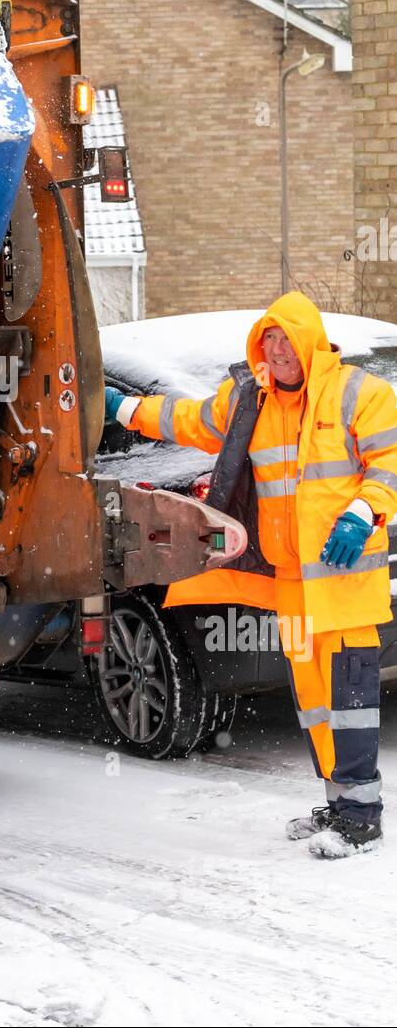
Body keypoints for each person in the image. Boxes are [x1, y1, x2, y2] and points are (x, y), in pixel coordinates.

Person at [105, 291, 397, 858]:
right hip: (292, 587)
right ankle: (338, 803)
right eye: (271, 341)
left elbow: (391, 463)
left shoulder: (360, 394)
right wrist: (122, 409)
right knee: (313, 699)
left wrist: (364, 512)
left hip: (346, 583)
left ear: (311, 342)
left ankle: (362, 817)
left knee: (350, 697)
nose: (281, 351)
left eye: (289, 339)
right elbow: (184, 418)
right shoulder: (251, 405)